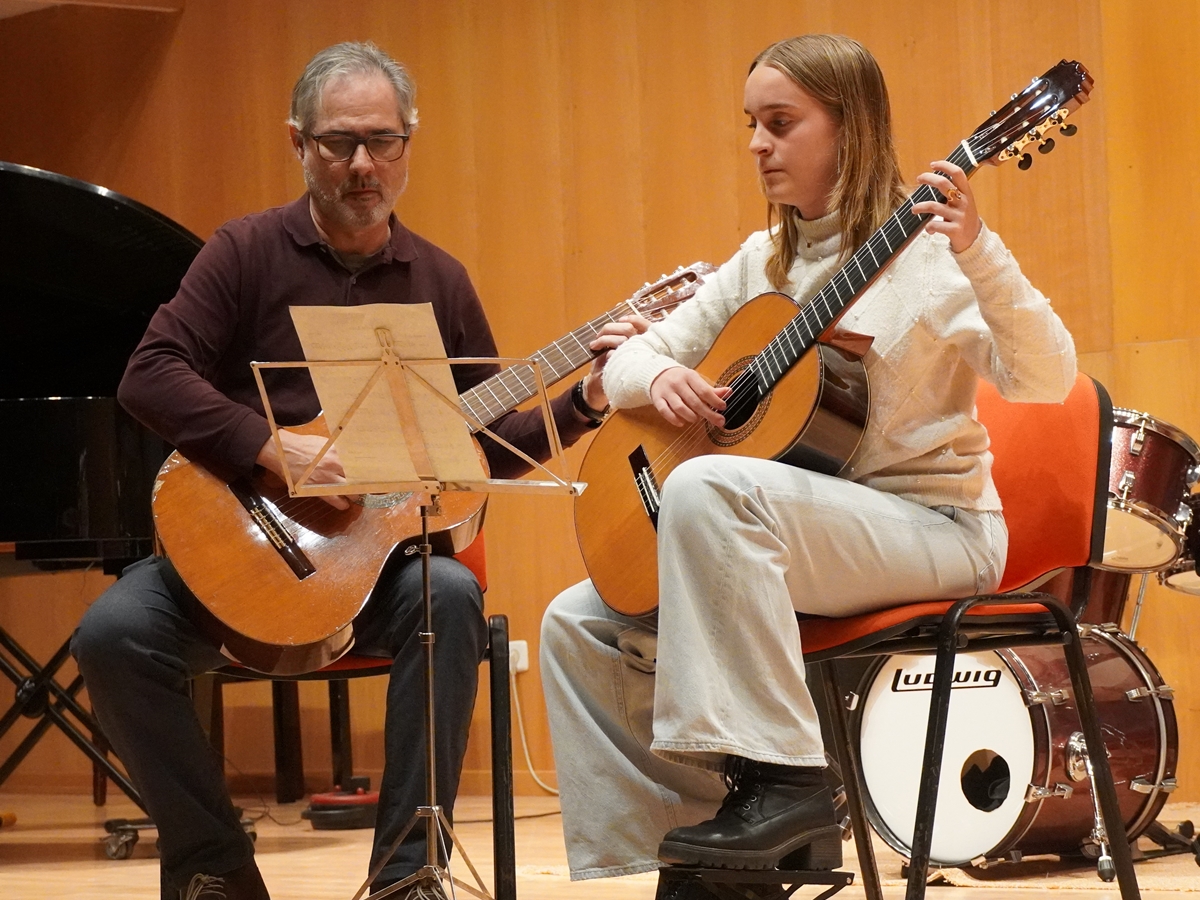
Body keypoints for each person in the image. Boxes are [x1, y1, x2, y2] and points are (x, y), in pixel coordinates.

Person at [72, 41, 640, 900]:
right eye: (340, 142)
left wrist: (588, 399)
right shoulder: (244, 253)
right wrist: (270, 445)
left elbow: (488, 438)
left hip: (374, 573)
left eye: (383, 140)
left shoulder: (439, 281)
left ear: (409, 143)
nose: (363, 164)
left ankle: (406, 879)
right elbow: (147, 374)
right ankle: (215, 865)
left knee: (447, 596)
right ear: (299, 143)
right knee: (112, 636)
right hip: (244, 538)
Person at [539, 33, 1077, 899]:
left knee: (710, 486)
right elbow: (622, 368)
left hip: (935, 530)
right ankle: (715, 860)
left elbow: (1048, 377)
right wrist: (667, 374)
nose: (757, 144)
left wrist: (981, 247)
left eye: (781, 123)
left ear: (850, 128)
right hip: (789, 533)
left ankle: (789, 787)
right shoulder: (764, 265)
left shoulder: (937, 257)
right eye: (752, 123)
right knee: (579, 622)